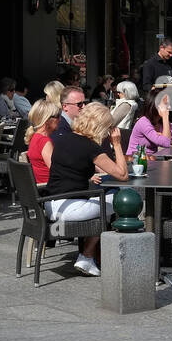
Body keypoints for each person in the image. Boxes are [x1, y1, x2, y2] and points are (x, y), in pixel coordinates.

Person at [44, 102, 128, 277]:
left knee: (103, 203)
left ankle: (88, 256)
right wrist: (117, 144)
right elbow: (122, 175)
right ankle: (91, 255)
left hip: (50, 205)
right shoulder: (90, 147)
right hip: (70, 208)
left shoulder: (63, 138)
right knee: (119, 197)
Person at [125, 88, 172, 156]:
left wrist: (170, 140)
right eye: (166, 104)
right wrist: (165, 117)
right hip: (136, 160)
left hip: (152, 160)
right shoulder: (143, 122)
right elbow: (165, 143)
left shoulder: (161, 122)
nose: (169, 107)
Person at [23, 98, 61, 184]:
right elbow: (56, 171)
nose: (60, 119)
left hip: (44, 187)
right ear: (47, 120)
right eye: (58, 116)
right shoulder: (44, 142)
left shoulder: (35, 136)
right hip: (53, 190)